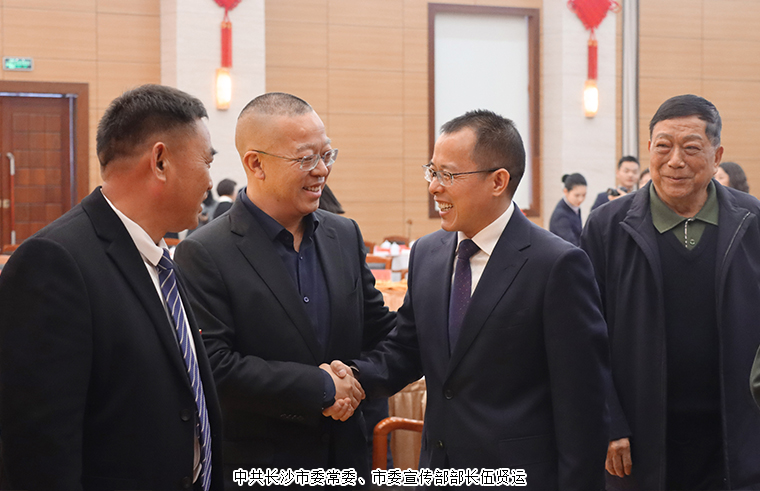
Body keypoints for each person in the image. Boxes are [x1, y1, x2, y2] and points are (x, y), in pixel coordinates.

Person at [340, 109, 610, 490]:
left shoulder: (556, 265)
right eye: (432, 172)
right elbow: (406, 350)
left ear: (498, 181)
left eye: (448, 175)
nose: (434, 187)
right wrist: (350, 378)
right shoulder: (427, 254)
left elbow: (582, 404)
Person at [0, 84, 224, 490]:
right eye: (206, 162)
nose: (210, 181)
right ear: (160, 161)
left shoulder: (161, 258)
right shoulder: (55, 262)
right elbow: (39, 449)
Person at [173, 92, 396, 487]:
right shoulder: (206, 252)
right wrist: (322, 387)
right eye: (306, 159)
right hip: (261, 466)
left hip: (346, 460)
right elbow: (215, 367)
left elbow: (379, 332)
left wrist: (352, 379)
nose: (321, 171)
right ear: (255, 163)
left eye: (326, 155)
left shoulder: (343, 235)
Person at [581, 94, 760, 490]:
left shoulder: (752, 222)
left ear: (717, 156)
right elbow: (583, 336)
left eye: (691, 148)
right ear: (649, 149)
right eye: (663, 146)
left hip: (736, 438)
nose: (675, 160)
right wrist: (609, 420)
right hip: (639, 441)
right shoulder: (606, 227)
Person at [549, 172, 587, 246]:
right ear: (565, 191)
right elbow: (571, 244)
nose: (581, 199)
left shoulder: (574, 207)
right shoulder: (561, 215)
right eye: (577, 195)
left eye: (584, 195)